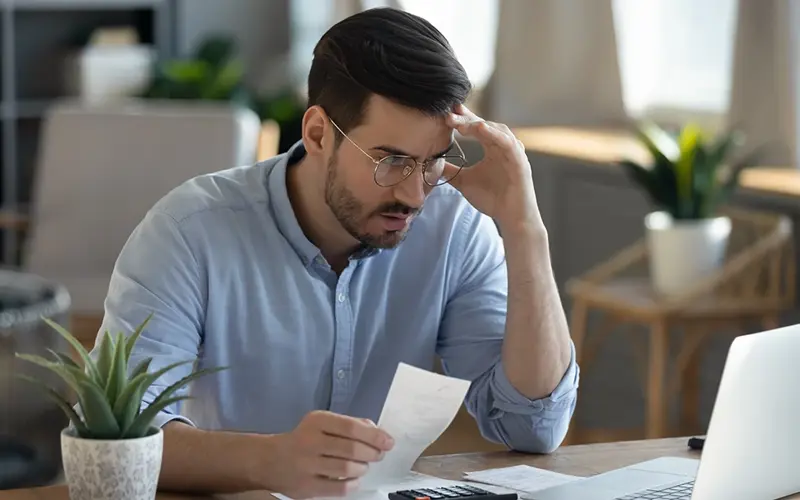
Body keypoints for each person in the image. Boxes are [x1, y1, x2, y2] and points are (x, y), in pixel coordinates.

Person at [94, 7, 579, 499]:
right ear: (318, 133)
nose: (414, 195)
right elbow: (117, 440)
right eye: (391, 161)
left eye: (433, 161)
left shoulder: (455, 227)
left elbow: (532, 427)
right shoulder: (187, 232)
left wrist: (524, 230)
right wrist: (269, 459)